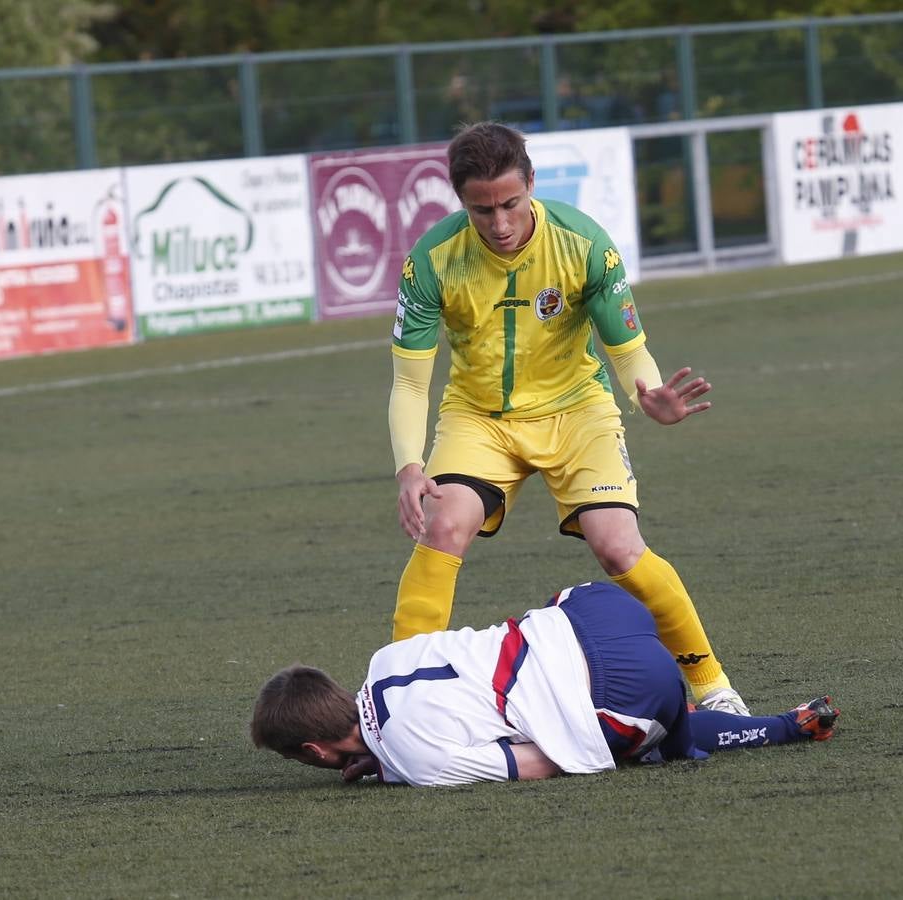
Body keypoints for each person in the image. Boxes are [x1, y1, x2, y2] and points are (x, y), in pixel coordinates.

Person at [387, 120, 749, 715]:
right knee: (443, 527)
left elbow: (628, 349)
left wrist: (649, 394)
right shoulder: (430, 262)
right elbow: (409, 380)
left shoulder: (584, 244)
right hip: (480, 419)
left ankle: (713, 687)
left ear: (531, 183)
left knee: (617, 548)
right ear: (461, 201)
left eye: (510, 203)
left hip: (576, 409)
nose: (500, 224)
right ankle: (399, 699)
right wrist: (408, 465)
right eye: (482, 211)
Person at [251, 582, 839, 786]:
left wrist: (397, 768)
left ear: (315, 750)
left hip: (630, 688)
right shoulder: (384, 658)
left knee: (639, 743)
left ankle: (789, 726)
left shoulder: (417, 761)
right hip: (597, 608)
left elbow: (544, 763)